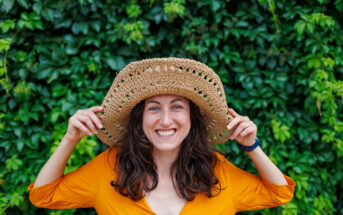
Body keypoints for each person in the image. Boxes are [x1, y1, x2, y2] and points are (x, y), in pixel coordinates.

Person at [28, 58, 295, 215]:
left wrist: (252, 146)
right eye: (154, 108)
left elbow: (279, 192)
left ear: (192, 117)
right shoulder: (110, 166)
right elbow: (43, 195)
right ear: (139, 119)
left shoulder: (216, 171)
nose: (165, 120)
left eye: (177, 106)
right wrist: (70, 139)